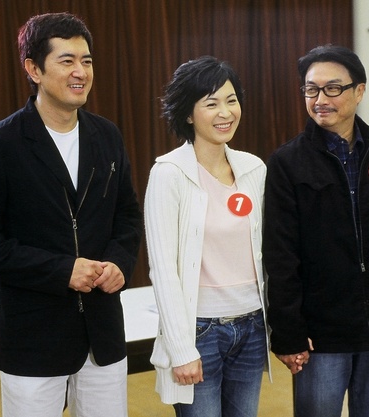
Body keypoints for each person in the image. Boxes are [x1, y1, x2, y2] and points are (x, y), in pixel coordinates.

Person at [0, 12, 143, 417]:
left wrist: (119, 262)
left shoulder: (107, 135)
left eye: (86, 61)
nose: (81, 72)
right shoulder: (0, 144)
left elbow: (127, 215)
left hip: (103, 333)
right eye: (67, 60)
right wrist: (60, 270)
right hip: (33, 338)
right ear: (34, 69)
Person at [263, 44, 369, 417]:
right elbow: (280, 255)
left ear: (359, 91)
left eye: (333, 88)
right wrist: (288, 332)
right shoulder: (287, 163)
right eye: (311, 90)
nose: (320, 99)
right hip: (321, 335)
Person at [144, 56, 270, 417]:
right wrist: (181, 348)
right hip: (200, 331)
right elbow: (163, 270)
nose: (225, 112)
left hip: (252, 325)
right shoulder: (169, 173)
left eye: (231, 100)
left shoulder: (254, 169)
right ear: (188, 114)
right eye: (211, 103)